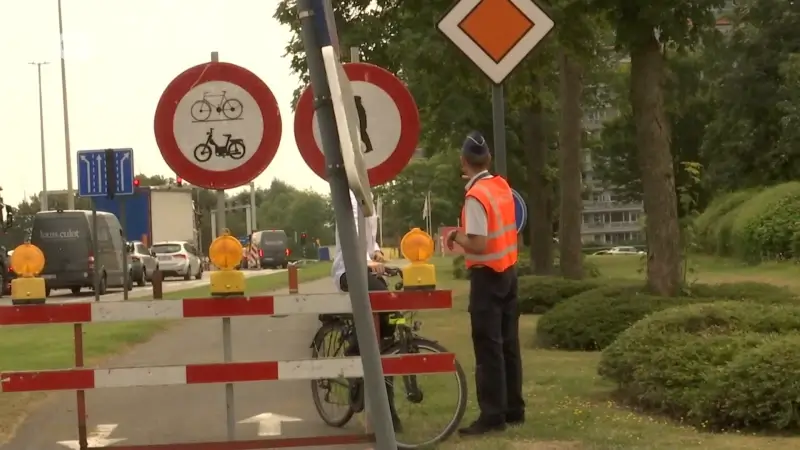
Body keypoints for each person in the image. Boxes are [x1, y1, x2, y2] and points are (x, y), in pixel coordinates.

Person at [446, 131, 524, 436]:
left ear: (464, 162)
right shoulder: (502, 186)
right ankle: (514, 409)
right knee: (509, 345)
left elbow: (477, 244)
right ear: (488, 159)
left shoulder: (476, 196)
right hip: (509, 272)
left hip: (487, 276)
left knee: (488, 347)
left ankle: (492, 416)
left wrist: (456, 236)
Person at [328, 190, 403, 431]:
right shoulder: (348, 199)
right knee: (383, 301)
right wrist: (370, 261)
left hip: (366, 266)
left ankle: (386, 406)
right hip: (348, 268)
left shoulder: (367, 196)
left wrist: (377, 251)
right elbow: (352, 240)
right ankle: (355, 353)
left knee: (391, 325)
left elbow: (369, 239)